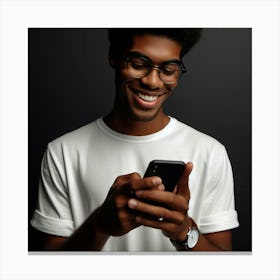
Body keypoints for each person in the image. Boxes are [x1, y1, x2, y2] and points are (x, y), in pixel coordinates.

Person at [30, 28, 239, 251]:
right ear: (114, 56)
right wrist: (100, 224)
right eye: (139, 64)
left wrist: (183, 230)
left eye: (169, 70)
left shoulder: (210, 152)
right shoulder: (62, 152)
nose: (152, 81)